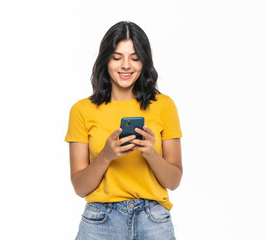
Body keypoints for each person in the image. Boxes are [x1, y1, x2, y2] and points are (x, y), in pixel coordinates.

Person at [65, 21, 183, 240]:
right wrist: (106, 156)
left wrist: (150, 153)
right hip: (100, 221)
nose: (126, 65)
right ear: (105, 60)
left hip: (154, 221)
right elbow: (80, 187)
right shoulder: (82, 110)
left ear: (144, 61)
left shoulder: (164, 105)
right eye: (117, 57)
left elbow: (174, 181)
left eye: (135, 58)